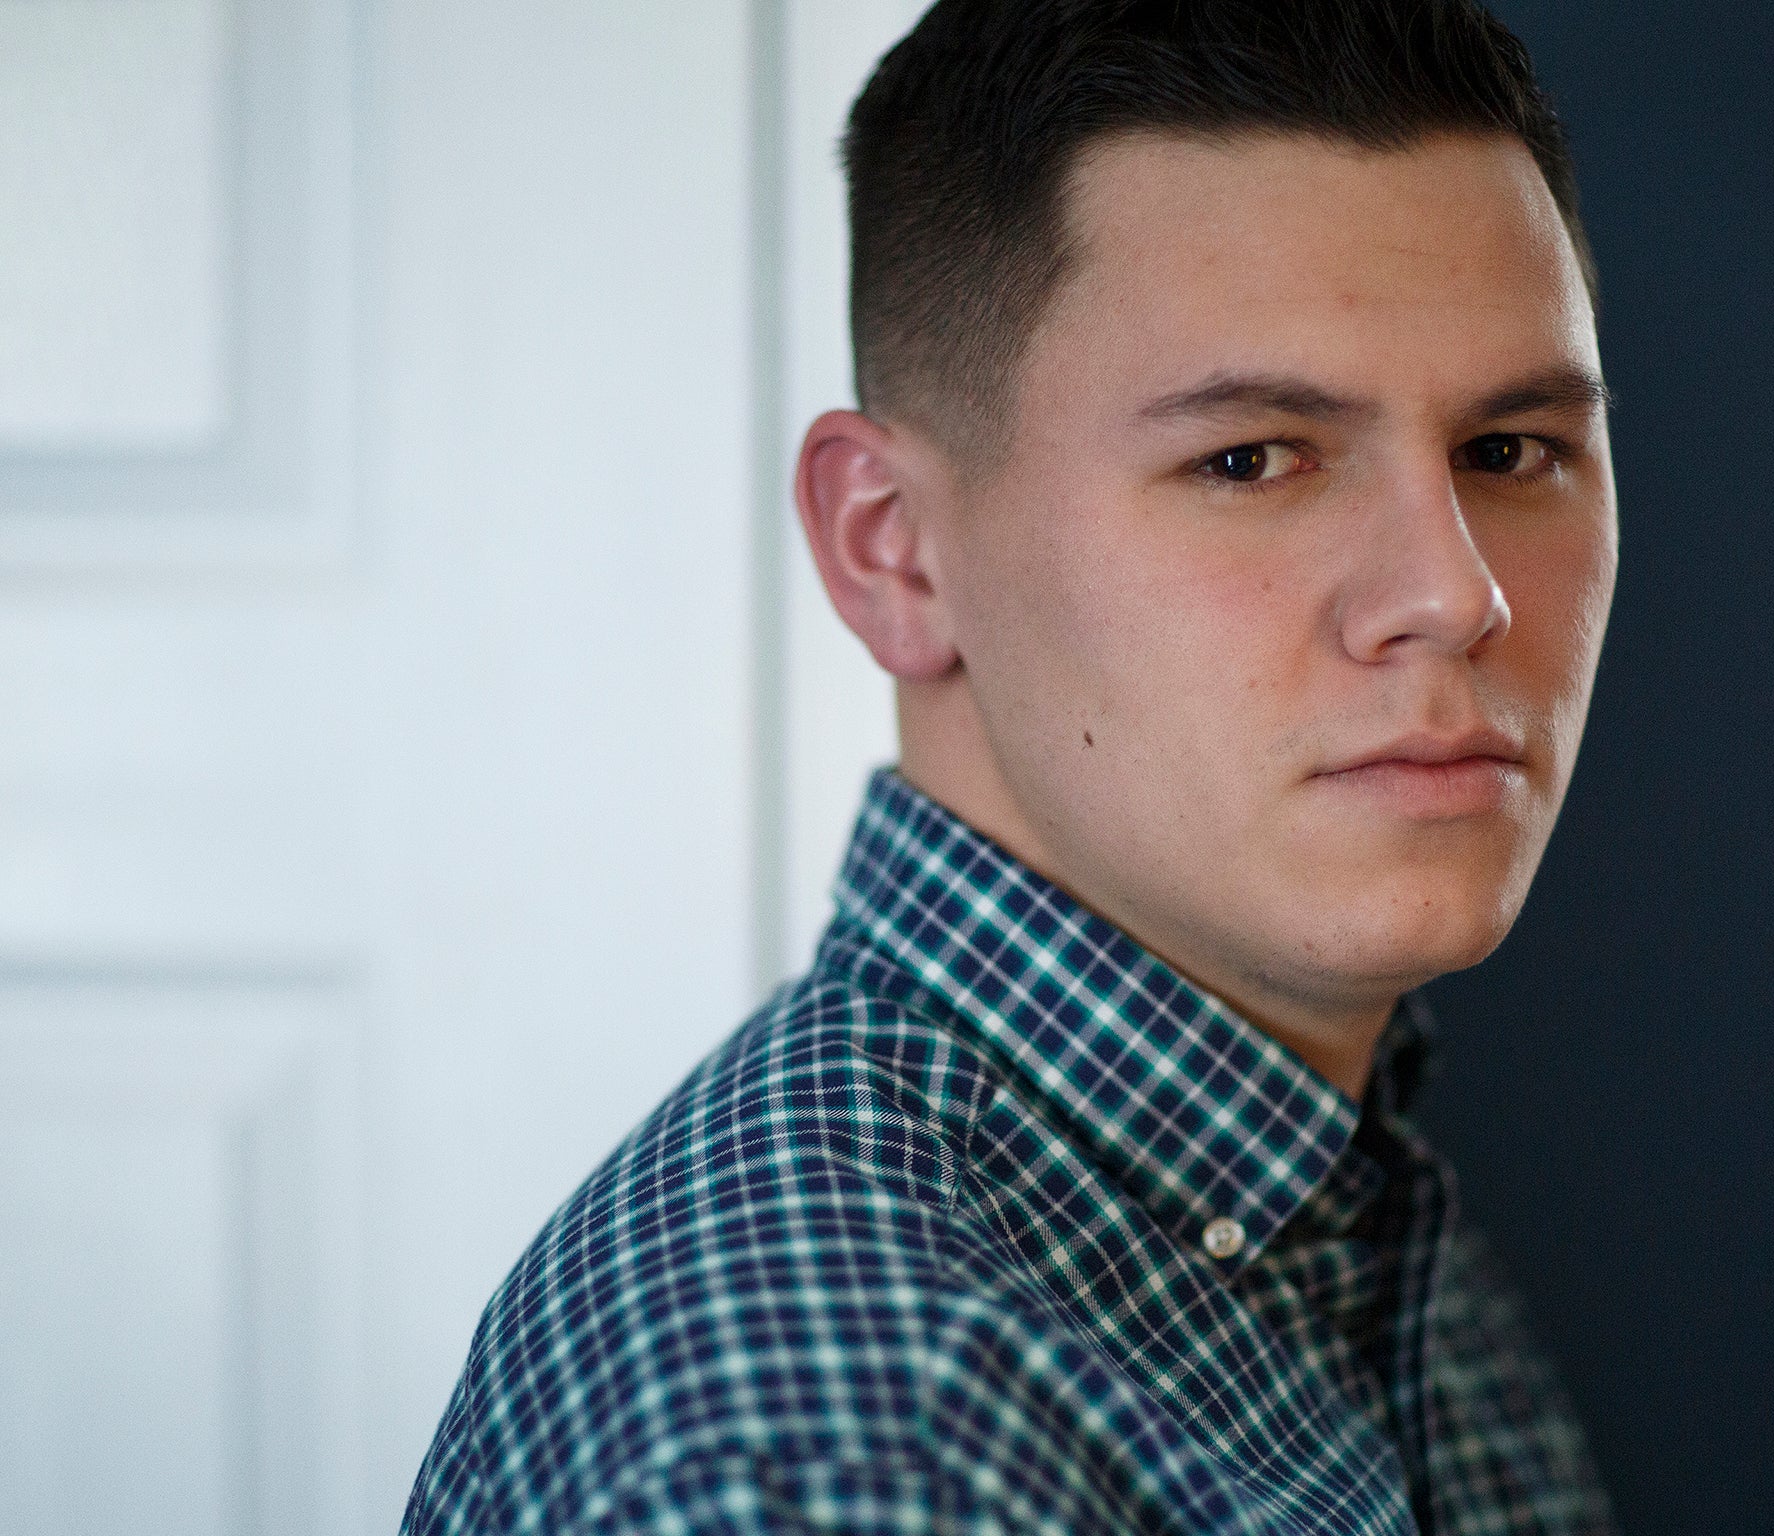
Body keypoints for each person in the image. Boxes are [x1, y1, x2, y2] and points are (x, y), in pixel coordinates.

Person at [403, 0, 1621, 1531]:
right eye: (1249, 458)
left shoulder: (1318, 1177)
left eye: (1510, 451)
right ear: (891, 549)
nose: (1456, 594)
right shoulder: (832, 1460)